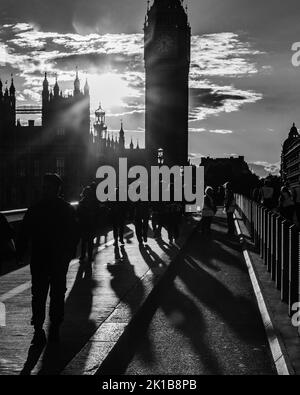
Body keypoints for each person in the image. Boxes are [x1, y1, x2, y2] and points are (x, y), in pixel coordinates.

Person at [16, 174, 79, 345]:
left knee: (39, 294)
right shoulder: (67, 209)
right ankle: (54, 327)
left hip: (40, 258)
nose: (45, 189)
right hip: (57, 259)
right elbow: (74, 234)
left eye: (47, 187)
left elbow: (23, 234)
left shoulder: (34, 209)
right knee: (57, 293)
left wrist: (19, 254)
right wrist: (70, 253)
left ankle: (38, 328)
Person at [77, 186, 99, 263]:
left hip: (85, 224)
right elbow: (97, 213)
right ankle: (89, 256)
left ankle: (83, 255)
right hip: (90, 223)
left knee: (84, 241)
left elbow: (78, 214)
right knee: (90, 241)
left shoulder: (82, 202)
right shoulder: (93, 202)